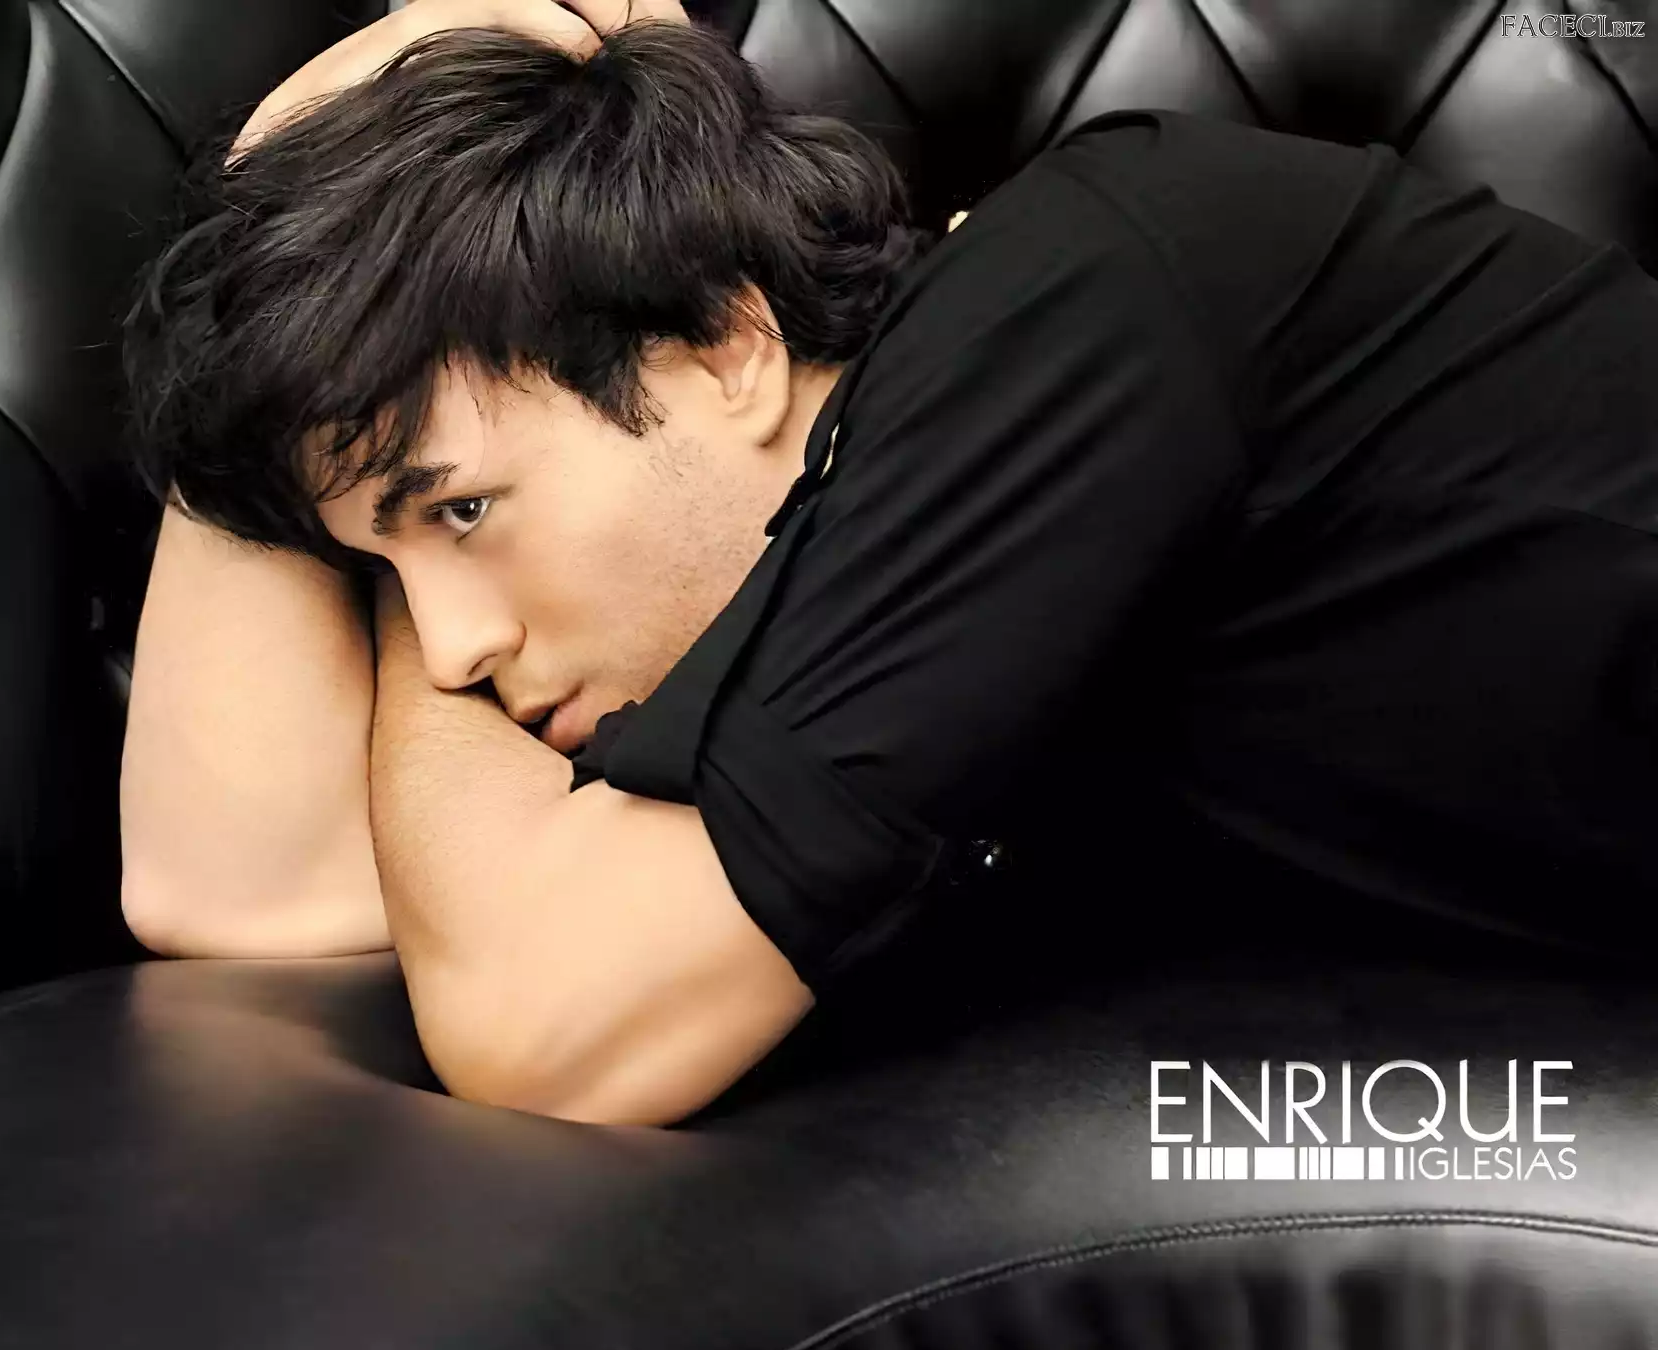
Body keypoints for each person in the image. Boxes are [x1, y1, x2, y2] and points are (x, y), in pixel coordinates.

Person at [119, 0, 1658, 1127]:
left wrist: (318, 291)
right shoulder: (842, 555)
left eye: (463, 510)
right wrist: (275, 231)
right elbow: (243, 885)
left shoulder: (1076, 300)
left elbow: (549, 1033)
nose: (451, 640)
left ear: (725, 344)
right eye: (381, 572)